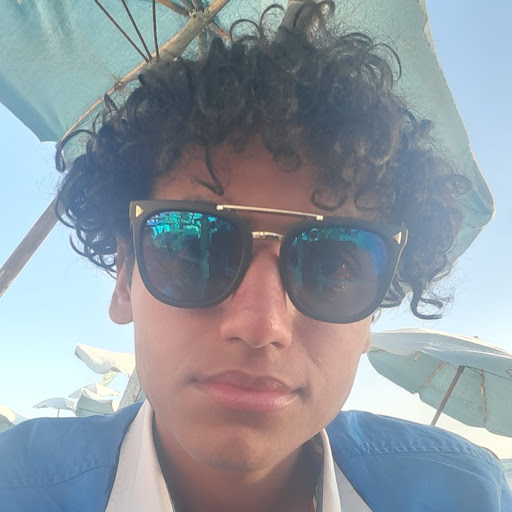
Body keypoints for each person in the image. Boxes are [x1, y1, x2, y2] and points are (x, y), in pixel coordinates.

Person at [1, 2, 510, 511]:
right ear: (122, 280)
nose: (261, 325)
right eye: (192, 246)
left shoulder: (467, 496)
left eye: (335, 266)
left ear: (370, 318)